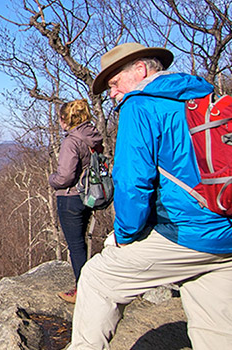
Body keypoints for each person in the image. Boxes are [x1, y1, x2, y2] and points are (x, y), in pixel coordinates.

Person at [67, 42, 232, 349]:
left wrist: (124, 236)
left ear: (141, 70)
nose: (113, 93)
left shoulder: (140, 105)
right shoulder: (203, 96)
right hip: (226, 231)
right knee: (217, 330)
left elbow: (133, 183)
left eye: (115, 84)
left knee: (98, 279)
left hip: (188, 231)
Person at [48, 99, 103, 304]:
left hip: (70, 197)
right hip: (88, 194)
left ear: (66, 120)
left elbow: (65, 177)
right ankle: (86, 284)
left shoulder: (72, 141)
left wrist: (52, 179)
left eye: (61, 118)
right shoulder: (92, 137)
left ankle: (82, 289)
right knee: (82, 242)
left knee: (75, 245)